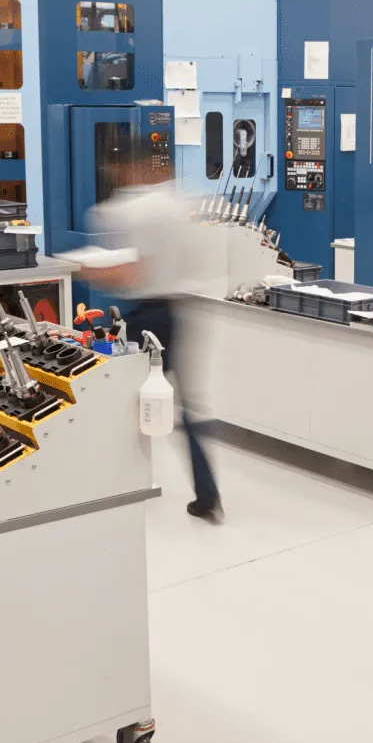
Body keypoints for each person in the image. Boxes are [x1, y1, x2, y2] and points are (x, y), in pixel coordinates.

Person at [78, 133, 223, 523]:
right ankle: (207, 494)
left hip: (147, 318)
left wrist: (87, 269)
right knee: (186, 408)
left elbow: (130, 274)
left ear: (130, 167)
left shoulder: (133, 210)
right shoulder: (183, 203)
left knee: (122, 398)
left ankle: (118, 482)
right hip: (181, 311)